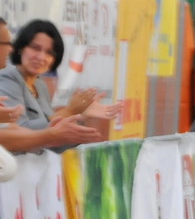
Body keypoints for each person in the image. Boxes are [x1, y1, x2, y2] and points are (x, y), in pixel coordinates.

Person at [0, 20, 111, 153]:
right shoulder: (7, 79)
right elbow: (16, 136)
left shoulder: (40, 85)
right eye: (35, 48)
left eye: (49, 53)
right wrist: (69, 112)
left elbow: (52, 143)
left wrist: (82, 118)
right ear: (21, 48)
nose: (41, 57)